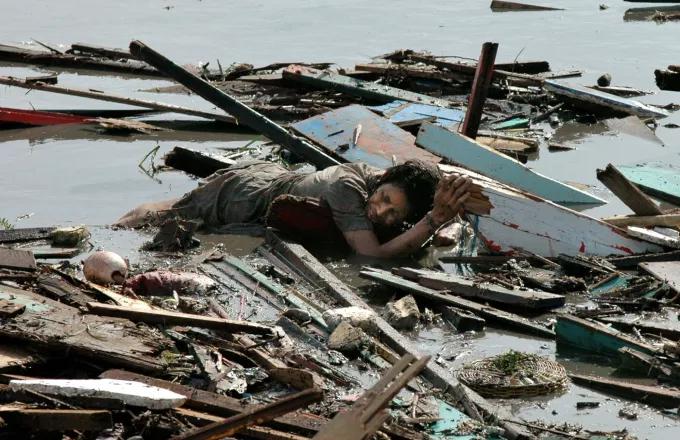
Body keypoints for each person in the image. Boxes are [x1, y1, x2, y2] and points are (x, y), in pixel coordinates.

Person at [116, 160, 485, 258]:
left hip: (276, 181)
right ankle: (113, 229)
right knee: (173, 215)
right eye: (384, 199)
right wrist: (435, 221)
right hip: (246, 194)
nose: (380, 213)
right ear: (383, 178)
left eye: (393, 215)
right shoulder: (349, 186)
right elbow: (370, 256)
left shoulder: (385, 195)